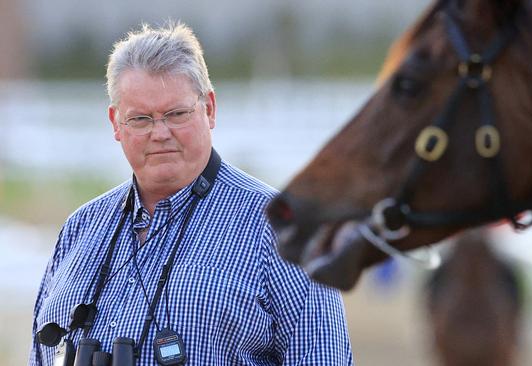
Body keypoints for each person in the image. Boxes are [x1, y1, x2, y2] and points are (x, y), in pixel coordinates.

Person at [30, 22, 353, 365]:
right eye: (140, 119)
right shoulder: (81, 228)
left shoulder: (283, 226)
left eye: (176, 114)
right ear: (115, 123)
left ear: (209, 108)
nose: (160, 132)